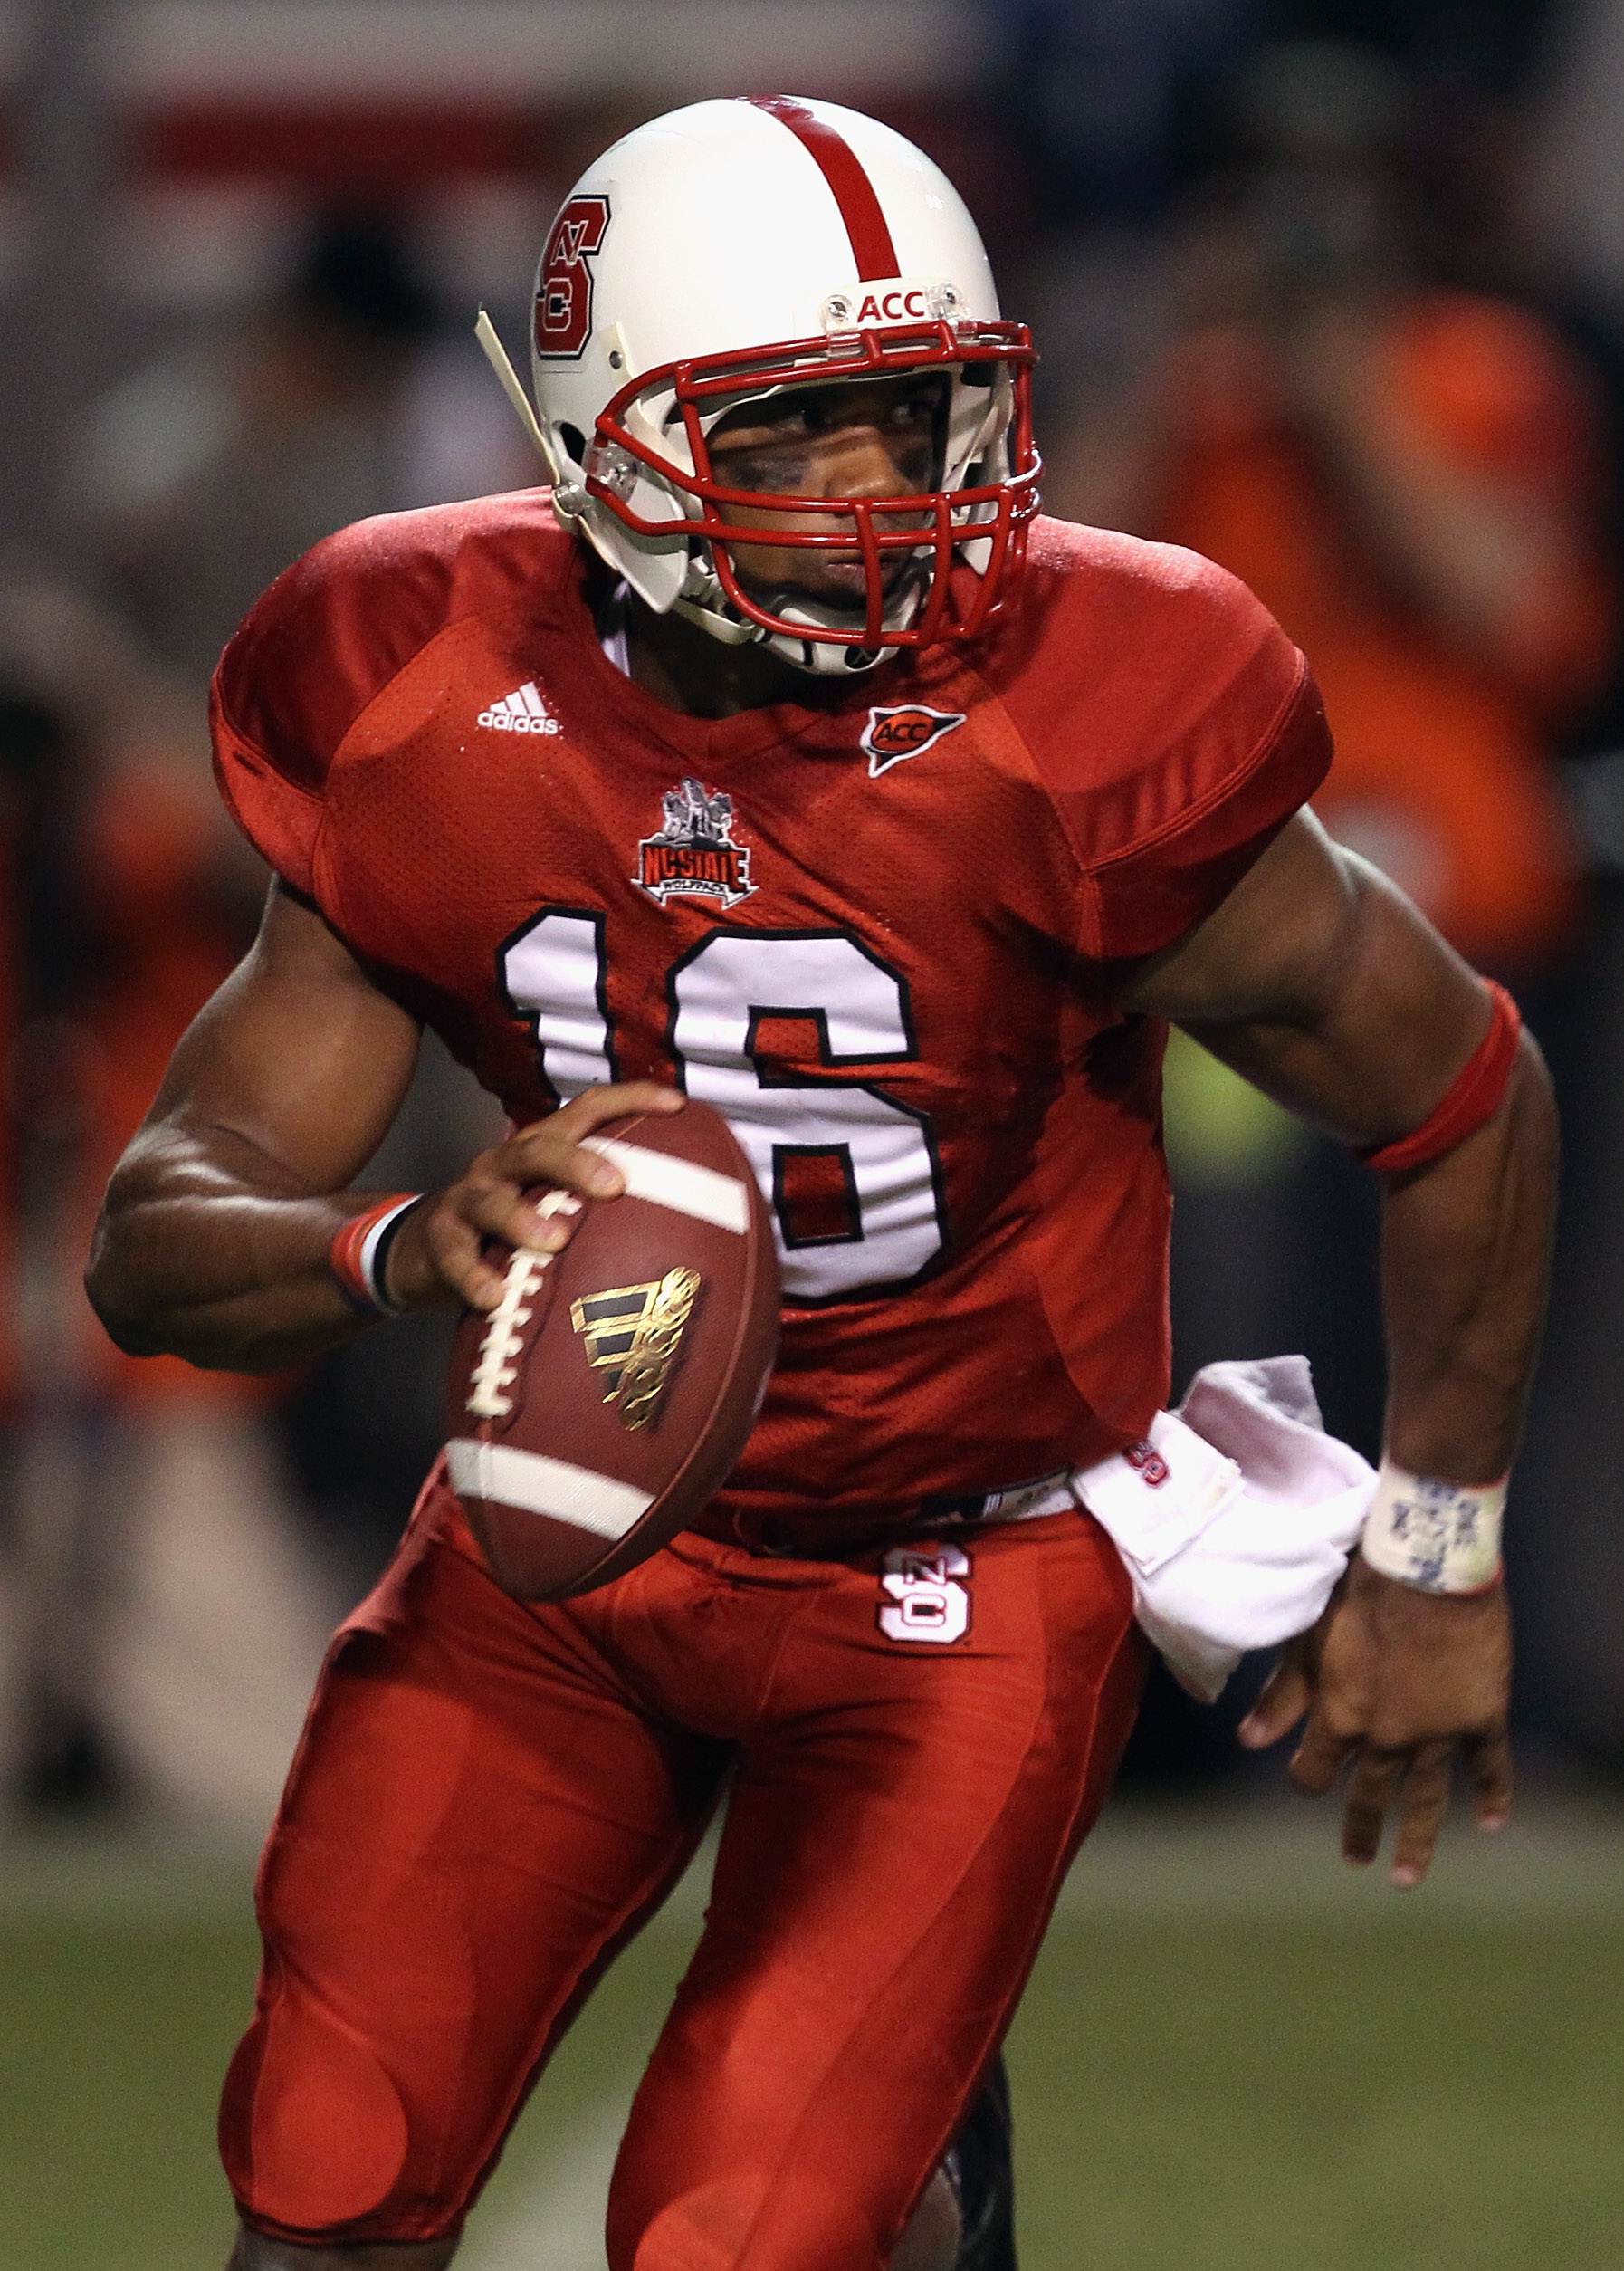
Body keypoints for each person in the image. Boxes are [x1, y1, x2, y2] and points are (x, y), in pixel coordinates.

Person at [86, 96, 1552, 2271]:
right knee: (323, 2177)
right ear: (600, 440)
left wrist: (1432, 1558)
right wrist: (391, 1247)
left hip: (959, 1582)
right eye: (792, 431)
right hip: (564, 1544)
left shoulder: (1086, 701)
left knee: (746, 2239)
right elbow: (158, 1231)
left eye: (918, 412)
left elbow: (1463, 1095)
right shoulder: (411, 666)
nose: (886, 489)